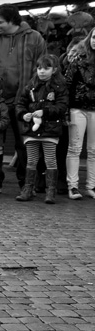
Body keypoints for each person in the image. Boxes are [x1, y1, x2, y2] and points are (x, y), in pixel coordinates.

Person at [0, 3, 47, 190]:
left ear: (12, 20)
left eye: (0, 22)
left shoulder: (35, 38)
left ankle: (26, 183)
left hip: (24, 100)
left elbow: (43, 67)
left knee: (24, 143)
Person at [15, 54, 68, 204]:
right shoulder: (31, 85)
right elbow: (20, 103)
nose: (42, 71)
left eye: (46, 68)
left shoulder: (59, 87)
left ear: (55, 69)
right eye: (39, 68)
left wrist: (45, 112)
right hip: (32, 129)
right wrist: (23, 114)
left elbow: (62, 107)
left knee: (50, 160)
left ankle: (50, 190)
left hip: (50, 129)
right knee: (31, 160)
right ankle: (28, 189)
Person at [64, 26, 95, 200]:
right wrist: (66, 112)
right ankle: (73, 186)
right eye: (94, 37)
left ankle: (91, 185)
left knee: (93, 150)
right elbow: (68, 85)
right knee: (75, 148)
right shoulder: (79, 59)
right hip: (78, 107)